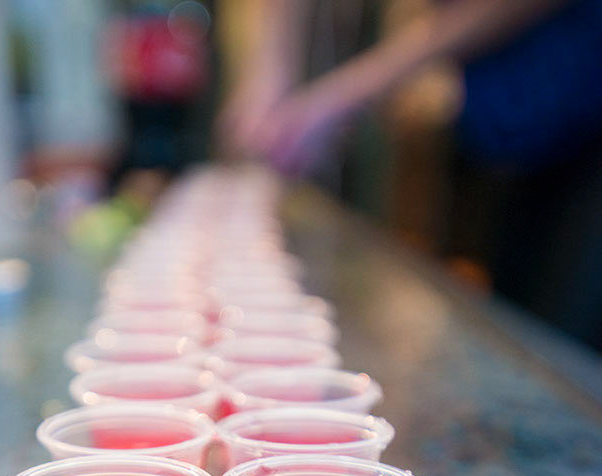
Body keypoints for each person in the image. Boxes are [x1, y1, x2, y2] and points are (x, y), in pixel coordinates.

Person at [217, 0, 602, 349]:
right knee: (513, 322)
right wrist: (269, 72)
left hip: (579, 111)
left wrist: (345, 94)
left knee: (558, 339)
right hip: (509, 125)